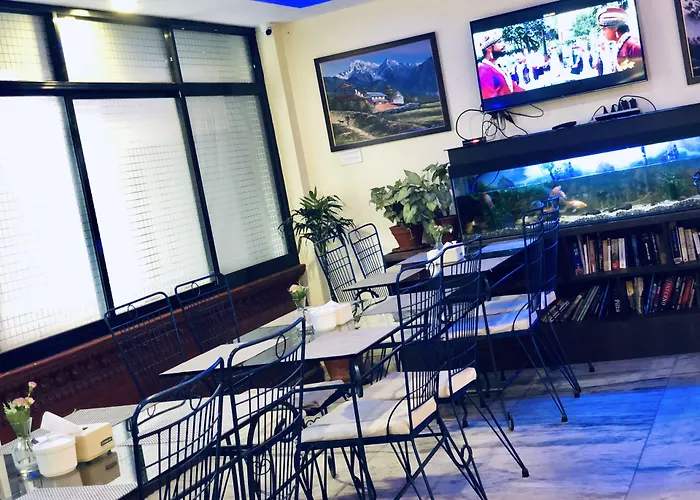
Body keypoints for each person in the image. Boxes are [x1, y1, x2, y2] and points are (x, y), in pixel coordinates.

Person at [477, 30, 524, 99]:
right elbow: (490, 100)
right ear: (489, 48)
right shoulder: (483, 71)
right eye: (499, 42)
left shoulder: (498, 67)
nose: (503, 45)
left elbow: (513, 87)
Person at [597, 6, 643, 72]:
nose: (603, 33)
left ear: (614, 28)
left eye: (604, 29)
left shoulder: (633, 45)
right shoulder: (619, 46)